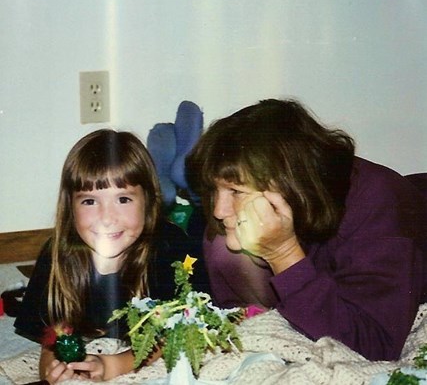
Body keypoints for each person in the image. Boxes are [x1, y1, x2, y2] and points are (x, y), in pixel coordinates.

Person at [186, 98, 427, 361]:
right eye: (215, 189)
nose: (220, 210)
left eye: (236, 191)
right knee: (224, 245)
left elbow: (376, 347)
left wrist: (284, 254)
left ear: (290, 187)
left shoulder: (379, 206)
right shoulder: (232, 220)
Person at [14, 129, 209, 383]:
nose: (107, 219)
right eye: (90, 202)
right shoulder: (57, 255)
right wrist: (52, 370)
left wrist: (116, 364)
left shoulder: (171, 250)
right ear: (70, 207)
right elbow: (52, 336)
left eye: (123, 199)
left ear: (149, 202)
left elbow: (175, 332)